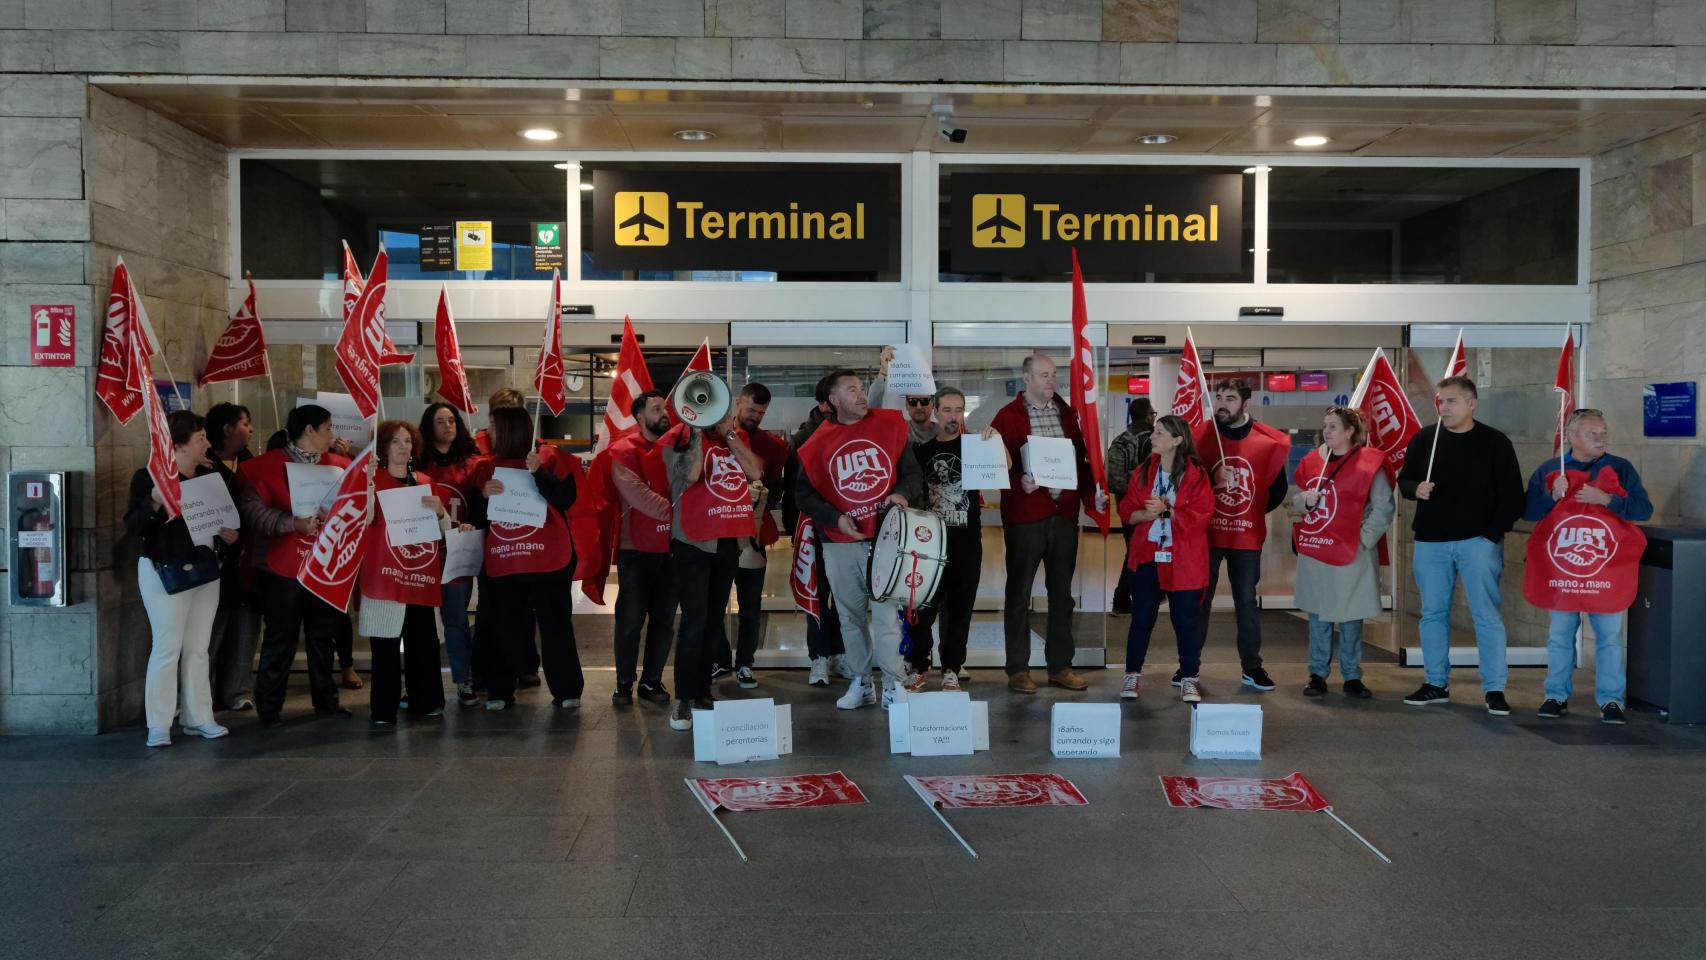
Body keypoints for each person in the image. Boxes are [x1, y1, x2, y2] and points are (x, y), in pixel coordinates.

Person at [795, 368, 924, 711]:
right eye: (852, 390)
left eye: (862, 388)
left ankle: (895, 684)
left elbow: (912, 474)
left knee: (887, 616)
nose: (862, 394)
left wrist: (902, 495)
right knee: (850, 617)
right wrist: (834, 517)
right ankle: (862, 681)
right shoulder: (816, 442)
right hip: (840, 541)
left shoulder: (890, 426)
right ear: (834, 401)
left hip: (887, 538)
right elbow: (803, 496)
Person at [1396, 376, 1525, 715]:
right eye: (1440, 401)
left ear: (1472, 403)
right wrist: (1414, 489)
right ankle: (1436, 683)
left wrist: (1491, 535)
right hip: (1431, 541)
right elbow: (1405, 479)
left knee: (1486, 616)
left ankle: (1494, 688)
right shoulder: (1425, 439)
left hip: (1477, 542)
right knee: (1433, 614)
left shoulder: (1494, 442)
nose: (1444, 407)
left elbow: (1512, 496)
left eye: (1451, 401)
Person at [1523, 408, 1653, 724]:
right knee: (1560, 634)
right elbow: (1528, 512)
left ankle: (1610, 700)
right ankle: (1555, 695)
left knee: (1609, 636)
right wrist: (1552, 496)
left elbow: (1643, 509)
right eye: (1592, 433)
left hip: (1605, 569)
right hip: (1563, 569)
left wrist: (1606, 499)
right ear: (1571, 437)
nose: (1601, 438)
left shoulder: (1620, 468)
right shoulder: (1552, 469)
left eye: (1604, 432)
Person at [988, 353, 1101, 694]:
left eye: (1053, 374)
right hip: (1026, 517)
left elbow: (1081, 462)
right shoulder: (1008, 417)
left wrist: (1089, 497)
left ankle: (1060, 666)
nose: (1051, 380)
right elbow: (997, 464)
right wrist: (1018, 478)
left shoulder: (1067, 415)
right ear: (1026, 379)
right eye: (1043, 375)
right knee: (1019, 595)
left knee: (1062, 595)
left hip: (1063, 516)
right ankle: (1018, 670)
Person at [126, 411, 239, 746]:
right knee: (167, 646)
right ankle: (158, 723)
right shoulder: (150, 478)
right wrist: (155, 503)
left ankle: (198, 717)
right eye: (201, 437)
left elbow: (224, 518)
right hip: (167, 570)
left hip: (206, 568)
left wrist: (229, 536)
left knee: (198, 647)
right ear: (178, 445)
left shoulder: (211, 474)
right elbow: (134, 526)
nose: (207, 443)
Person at [238, 404, 353, 725]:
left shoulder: (340, 467)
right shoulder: (265, 467)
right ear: (310, 430)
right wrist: (291, 523)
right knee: (280, 637)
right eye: (328, 427)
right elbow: (253, 513)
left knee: (322, 637)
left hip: (324, 566)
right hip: (280, 567)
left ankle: (326, 702)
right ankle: (270, 708)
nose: (333, 434)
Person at [468, 407, 583, 710]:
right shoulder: (486, 468)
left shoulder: (549, 459)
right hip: (506, 561)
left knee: (555, 626)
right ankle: (499, 690)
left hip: (548, 560)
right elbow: (477, 517)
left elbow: (566, 499)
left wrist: (539, 474)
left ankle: (567, 689)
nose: (487, 431)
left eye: (493, 425)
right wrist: (484, 497)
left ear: (509, 429)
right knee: (503, 626)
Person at [661, 402, 763, 731]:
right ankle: (683, 699)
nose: (724, 419)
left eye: (727, 413)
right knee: (694, 620)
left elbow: (755, 472)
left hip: (727, 541)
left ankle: (703, 692)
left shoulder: (731, 441)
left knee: (713, 621)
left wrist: (729, 433)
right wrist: (695, 430)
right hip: (692, 542)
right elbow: (691, 474)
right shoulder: (678, 441)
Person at [359, 419, 461, 727]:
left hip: (419, 575)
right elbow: (363, 521)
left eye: (406, 441)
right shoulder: (372, 482)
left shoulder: (423, 481)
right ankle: (384, 709)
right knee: (386, 647)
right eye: (395, 442)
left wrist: (440, 511)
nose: (403, 447)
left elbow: (445, 529)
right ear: (383, 448)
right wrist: (365, 485)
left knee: (423, 643)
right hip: (385, 574)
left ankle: (426, 701)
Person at [1193, 378, 1290, 694]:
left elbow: (1277, 490)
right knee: (1198, 600)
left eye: (1230, 398)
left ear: (1245, 403)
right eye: (1219, 397)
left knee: (1246, 601)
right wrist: (1212, 477)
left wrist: (1248, 513)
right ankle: (1188, 665)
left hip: (1246, 535)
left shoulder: (1268, 441)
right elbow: (1185, 482)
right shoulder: (1200, 436)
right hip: (1205, 534)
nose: (1222, 403)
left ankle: (1252, 667)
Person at [1290, 407, 1394, 699]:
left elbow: (1383, 506)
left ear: (1349, 431)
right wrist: (1305, 502)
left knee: (1351, 615)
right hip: (1318, 548)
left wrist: (1363, 540)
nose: (1327, 432)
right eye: (1325, 426)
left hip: (1352, 551)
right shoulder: (1313, 462)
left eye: (1333, 426)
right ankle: (1317, 673)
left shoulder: (1368, 464)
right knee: (1319, 614)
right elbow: (1297, 501)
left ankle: (1352, 675)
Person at [907, 386, 1003, 690]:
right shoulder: (921, 452)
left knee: (960, 610)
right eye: (947, 410)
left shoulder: (976, 447)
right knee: (923, 610)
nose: (952, 416)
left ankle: (951, 667)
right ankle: (920, 666)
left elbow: (1006, 469)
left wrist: (998, 444)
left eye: (958, 410)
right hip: (929, 546)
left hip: (965, 544)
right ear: (935, 411)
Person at [1117, 415, 1214, 703]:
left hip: (1184, 558)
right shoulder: (1144, 472)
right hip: (1148, 554)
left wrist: (1168, 512)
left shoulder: (1197, 475)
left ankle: (1189, 677)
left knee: (1184, 620)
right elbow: (1127, 511)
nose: (1152, 437)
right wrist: (1148, 514)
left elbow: (1201, 517)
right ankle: (1132, 674)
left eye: (1159, 433)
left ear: (1177, 441)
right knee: (1142, 617)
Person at [717, 382, 788, 690]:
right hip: (718, 531)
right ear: (737, 404)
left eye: (761, 412)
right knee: (714, 604)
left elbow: (775, 487)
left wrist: (758, 500)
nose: (756, 416)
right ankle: (720, 659)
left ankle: (745, 661)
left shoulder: (774, 447)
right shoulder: (714, 439)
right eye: (751, 410)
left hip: (754, 532)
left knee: (750, 605)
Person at [472, 387, 543, 691]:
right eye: (500, 412)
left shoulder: (535, 448)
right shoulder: (477, 450)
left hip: (525, 539)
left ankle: (526, 665)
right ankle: (487, 670)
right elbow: (472, 493)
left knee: (526, 608)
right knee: (489, 609)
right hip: (492, 539)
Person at [607, 390, 676, 706]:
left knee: (664, 620)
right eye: (656, 408)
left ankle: (651, 680)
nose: (664, 412)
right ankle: (624, 681)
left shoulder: (675, 448)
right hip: (635, 549)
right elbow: (637, 495)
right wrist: (682, 514)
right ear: (639, 417)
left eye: (665, 407)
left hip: (671, 547)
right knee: (630, 619)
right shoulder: (623, 451)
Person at [781, 373, 849, 687]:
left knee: (846, 596)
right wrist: (795, 528)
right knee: (817, 593)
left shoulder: (851, 431)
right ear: (825, 403)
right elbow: (795, 489)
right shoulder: (804, 438)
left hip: (849, 527)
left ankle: (840, 653)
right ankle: (819, 657)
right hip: (814, 527)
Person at [419, 402, 484, 707]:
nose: (447, 426)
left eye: (451, 420)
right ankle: (421, 683)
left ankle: (464, 679)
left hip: (457, 550)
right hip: (423, 551)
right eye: (440, 421)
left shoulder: (471, 463)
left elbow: (480, 504)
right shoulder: (417, 464)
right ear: (429, 426)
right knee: (419, 623)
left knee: (456, 618)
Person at [202, 401, 260, 711]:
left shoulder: (250, 463)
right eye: (245, 423)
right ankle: (203, 694)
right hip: (215, 564)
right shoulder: (204, 467)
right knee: (212, 631)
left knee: (245, 628)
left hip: (247, 560)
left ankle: (238, 691)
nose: (250, 430)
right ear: (227, 429)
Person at [1105, 397, 1157, 616]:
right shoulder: (1156, 440)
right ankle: (1124, 599)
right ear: (1148, 416)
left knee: (1135, 551)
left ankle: (1124, 599)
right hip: (1150, 507)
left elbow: (1113, 480)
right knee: (1138, 553)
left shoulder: (1119, 441)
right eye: (1153, 414)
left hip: (1127, 507)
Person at [870, 346, 938, 444]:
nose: (919, 407)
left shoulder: (943, 431)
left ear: (933, 404)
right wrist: (883, 372)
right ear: (906, 404)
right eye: (913, 402)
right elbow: (872, 412)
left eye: (924, 401)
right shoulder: (898, 429)